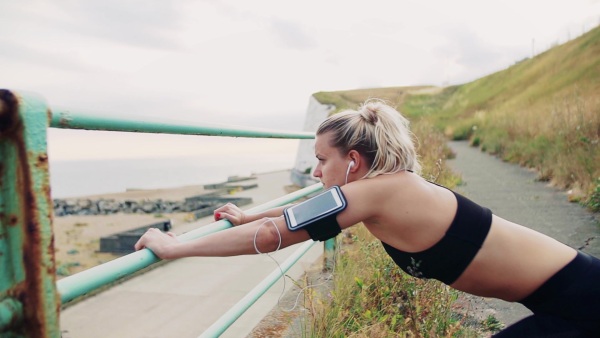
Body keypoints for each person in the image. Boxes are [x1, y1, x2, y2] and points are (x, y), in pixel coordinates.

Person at [135, 99, 600, 336]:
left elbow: (279, 235)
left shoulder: (376, 195)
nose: (315, 171)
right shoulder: (383, 189)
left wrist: (178, 247)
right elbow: (296, 213)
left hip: (584, 299)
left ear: (353, 162)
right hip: (568, 299)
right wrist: (248, 213)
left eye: (322, 160)